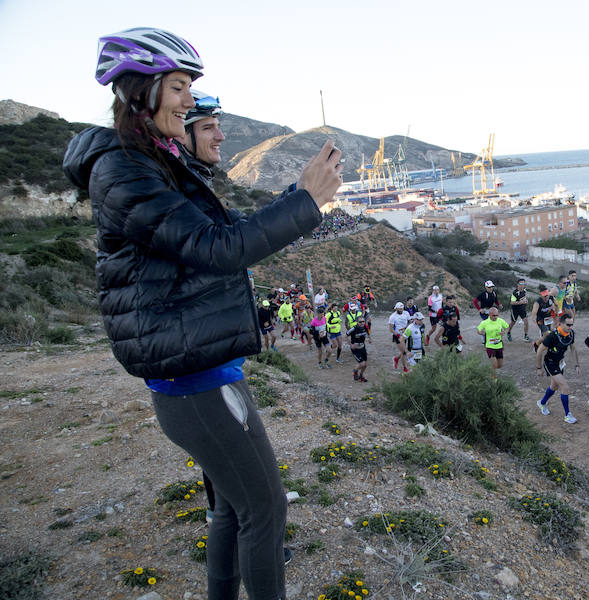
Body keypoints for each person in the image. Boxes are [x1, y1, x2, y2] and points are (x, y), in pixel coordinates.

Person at [63, 26, 342, 600]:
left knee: (232, 510)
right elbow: (218, 250)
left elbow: (215, 237)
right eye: (179, 86)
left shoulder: (151, 162)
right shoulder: (125, 170)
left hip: (198, 369)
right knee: (263, 508)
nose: (190, 99)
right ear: (143, 91)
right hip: (193, 380)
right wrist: (307, 201)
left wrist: (294, 199)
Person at [536, 313, 579, 424]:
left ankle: (542, 402)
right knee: (564, 386)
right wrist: (539, 368)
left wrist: (577, 364)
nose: (570, 327)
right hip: (550, 363)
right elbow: (539, 351)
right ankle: (567, 415)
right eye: (568, 325)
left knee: (554, 386)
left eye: (572, 325)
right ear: (560, 324)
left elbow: (573, 349)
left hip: (560, 362)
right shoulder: (552, 336)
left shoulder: (571, 334)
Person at [476, 306, 509, 378]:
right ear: (489, 315)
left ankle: (490, 371)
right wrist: (481, 332)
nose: (495, 317)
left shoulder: (500, 321)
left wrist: (504, 332)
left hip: (499, 345)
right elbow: (478, 330)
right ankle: (494, 381)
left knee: (499, 365)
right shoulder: (485, 322)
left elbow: (507, 327)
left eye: (497, 315)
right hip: (489, 346)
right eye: (494, 315)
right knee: (494, 364)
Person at [530, 285, 557, 351]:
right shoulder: (538, 302)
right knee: (546, 334)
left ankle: (540, 344)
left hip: (548, 318)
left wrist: (557, 312)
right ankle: (536, 344)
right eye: (545, 296)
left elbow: (556, 304)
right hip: (540, 319)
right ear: (541, 295)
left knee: (550, 334)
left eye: (547, 295)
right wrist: (533, 322)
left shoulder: (551, 298)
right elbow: (534, 313)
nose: (546, 297)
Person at [388, 301, 410, 372]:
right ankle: (404, 367)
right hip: (397, 336)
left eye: (402, 308)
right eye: (400, 309)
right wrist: (397, 335)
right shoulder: (392, 317)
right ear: (396, 309)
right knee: (403, 352)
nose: (401, 310)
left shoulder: (406, 313)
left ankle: (396, 358)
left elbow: (409, 322)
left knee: (403, 351)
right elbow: (391, 329)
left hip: (405, 334)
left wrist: (406, 328)